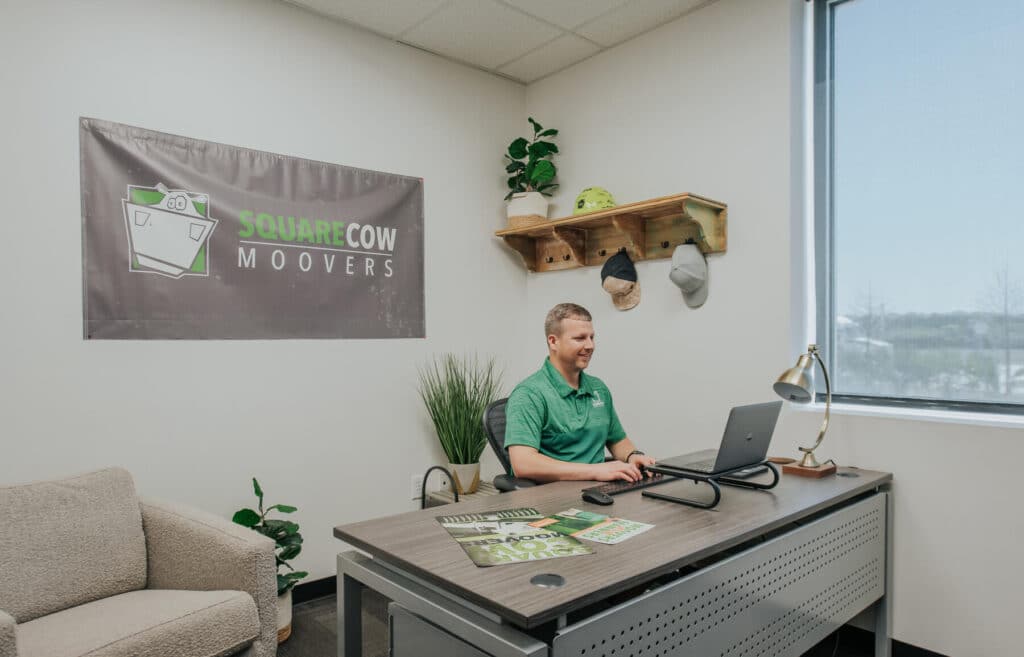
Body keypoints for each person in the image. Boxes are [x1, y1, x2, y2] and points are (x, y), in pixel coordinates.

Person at [504, 302, 656, 483]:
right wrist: (595, 471)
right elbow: (523, 463)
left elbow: (617, 440)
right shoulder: (528, 394)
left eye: (592, 337)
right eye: (580, 338)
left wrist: (633, 455)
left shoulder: (598, 389)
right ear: (553, 341)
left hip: (600, 491)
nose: (590, 345)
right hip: (553, 498)